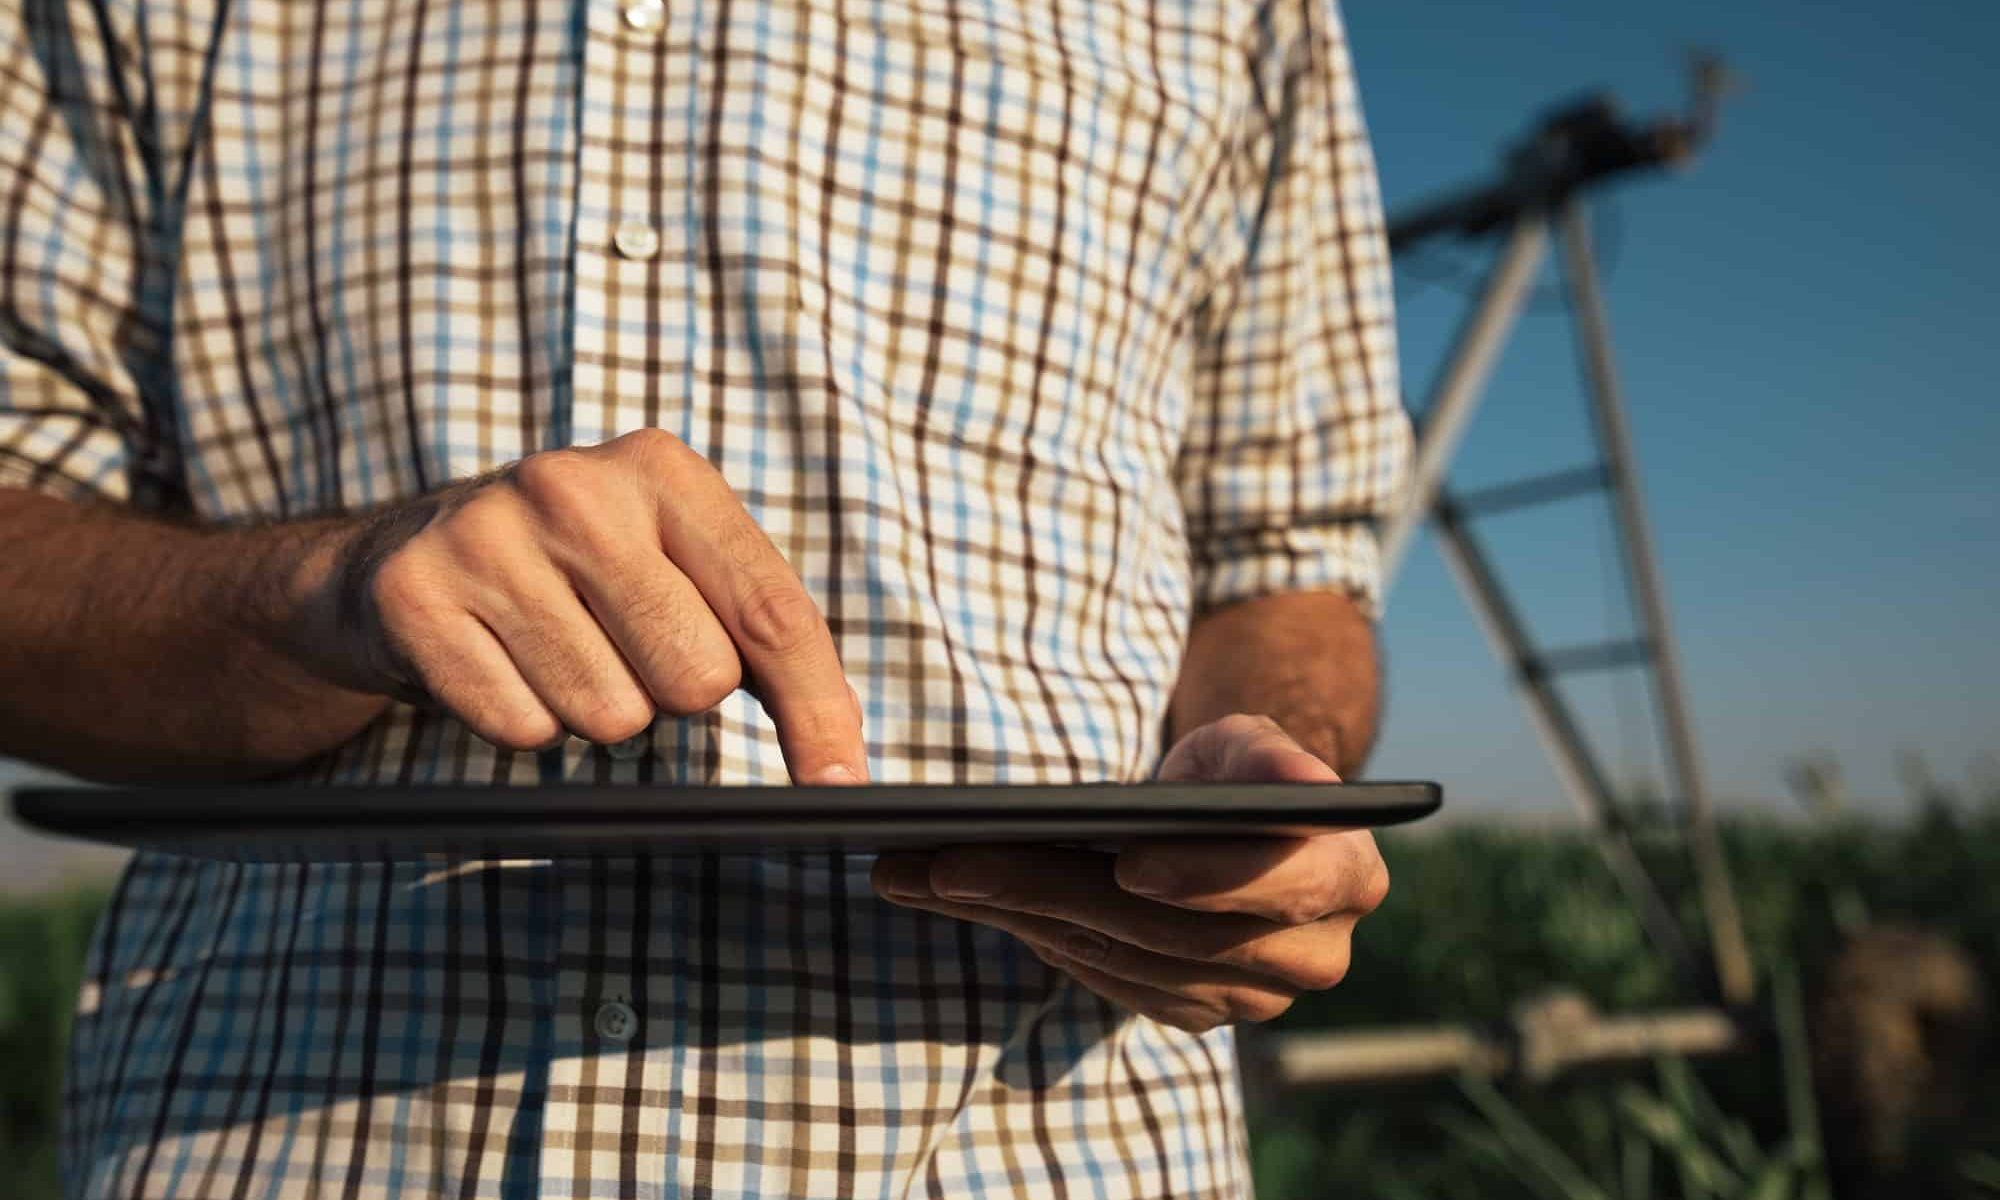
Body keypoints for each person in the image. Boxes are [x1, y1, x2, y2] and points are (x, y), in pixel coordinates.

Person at [0, 0, 1412, 1191]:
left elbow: (1285, 563)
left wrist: (1272, 780)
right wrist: (329, 585)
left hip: (1043, 1140)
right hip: (272, 1139)